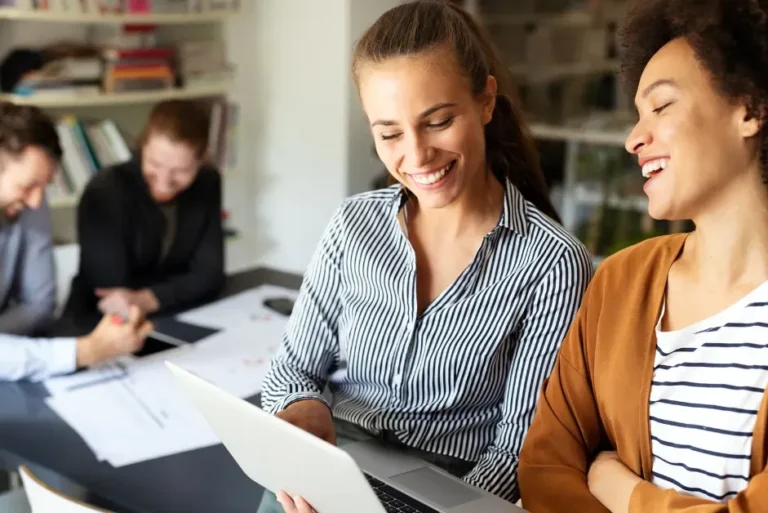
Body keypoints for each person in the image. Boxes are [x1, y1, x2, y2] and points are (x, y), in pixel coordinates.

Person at [260, 2, 593, 512]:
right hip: (331, 467)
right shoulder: (353, 227)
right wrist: (301, 412)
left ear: (485, 100)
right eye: (389, 133)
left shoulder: (551, 262)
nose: (415, 157)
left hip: (451, 490)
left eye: (437, 122)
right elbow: (290, 371)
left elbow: (516, 454)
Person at [518, 1, 768, 512]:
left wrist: (622, 490)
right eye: (636, 116)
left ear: (750, 108)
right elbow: (545, 467)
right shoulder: (621, 280)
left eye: (661, 107)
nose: (634, 138)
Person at [0, 101, 153, 381]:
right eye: (27, 186)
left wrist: (8, 350)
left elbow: (38, 305)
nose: (37, 201)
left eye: (44, 186)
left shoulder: (30, 203)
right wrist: (87, 350)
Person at [64, 99, 225, 324]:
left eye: (181, 171)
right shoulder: (106, 190)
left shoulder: (207, 183)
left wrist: (147, 298)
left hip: (178, 315)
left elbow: (210, 275)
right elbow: (112, 295)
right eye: (155, 164)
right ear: (142, 147)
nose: (164, 182)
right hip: (100, 323)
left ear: (201, 161)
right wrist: (175, 290)